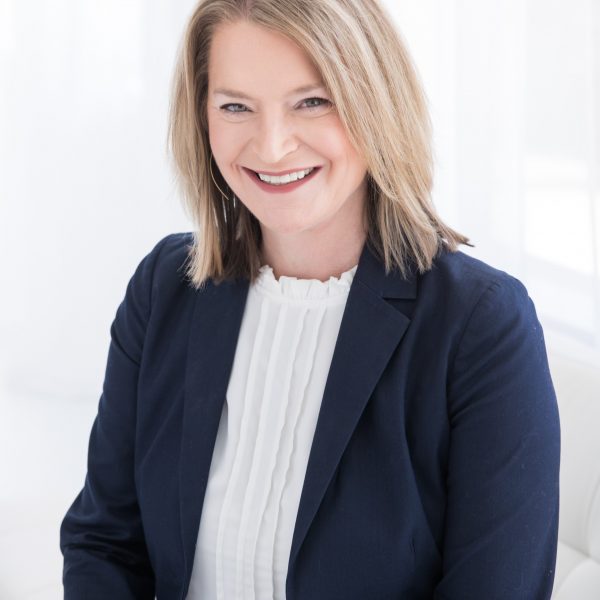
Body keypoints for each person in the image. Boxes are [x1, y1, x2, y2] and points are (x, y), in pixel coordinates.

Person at [60, 1, 561, 598]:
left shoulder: (481, 326)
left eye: (312, 101)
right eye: (235, 107)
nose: (272, 147)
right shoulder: (165, 288)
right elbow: (105, 542)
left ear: (374, 100)